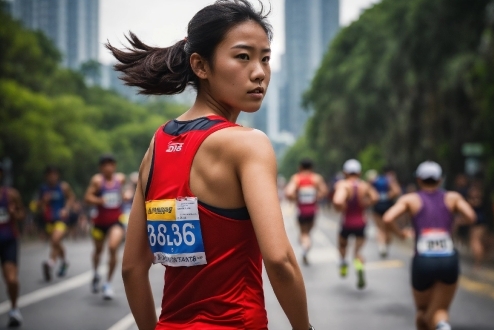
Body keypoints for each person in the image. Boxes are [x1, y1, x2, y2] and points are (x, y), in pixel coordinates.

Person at [108, 1, 311, 329]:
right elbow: (280, 260)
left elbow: (132, 268)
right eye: (243, 57)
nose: (259, 72)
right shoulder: (247, 144)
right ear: (201, 66)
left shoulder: (157, 145)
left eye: (265, 58)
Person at [384, 161, 476, 330]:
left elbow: (388, 218)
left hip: (423, 260)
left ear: (419, 180)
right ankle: (442, 326)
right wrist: (455, 222)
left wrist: (401, 234)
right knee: (439, 310)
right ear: (440, 180)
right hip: (448, 259)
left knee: (423, 311)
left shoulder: (411, 199)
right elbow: (470, 216)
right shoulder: (452, 198)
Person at [84, 154, 127, 300]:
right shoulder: (97, 181)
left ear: (114, 166)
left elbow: (122, 193)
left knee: (113, 247)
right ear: (101, 167)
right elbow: (87, 198)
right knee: (98, 250)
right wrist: (99, 200)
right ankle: (96, 273)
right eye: (105, 165)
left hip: (115, 221)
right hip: (99, 222)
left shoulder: (120, 179)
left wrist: (125, 195)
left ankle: (108, 283)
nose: (109, 168)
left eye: (111, 164)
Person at [333, 159, 379, 289]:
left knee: (342, 246)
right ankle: (359, 265)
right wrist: (366, 204)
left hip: (347, 223)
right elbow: (375, 198)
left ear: (345, 172)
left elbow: (337, 201)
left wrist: (341, 208)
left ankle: (342, 263)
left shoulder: (343, 185)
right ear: (359, 173)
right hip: (361, 223)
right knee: (357, 251)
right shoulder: (364, 186)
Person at [284, 159, 328, 265]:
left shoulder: (296, 178)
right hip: (312, 210)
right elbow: (324, 191)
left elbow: (289, 192)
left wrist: (297, 197)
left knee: (303, 234)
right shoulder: (316, 178)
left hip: (301, 211)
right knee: (308, 233)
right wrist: (315, 197)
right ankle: (305, 248)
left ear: (300, 167)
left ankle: (304, 248)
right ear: (312, 168)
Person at [37, 166, 74, 281]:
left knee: (55, 240)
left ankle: (51, 262)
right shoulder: (43, 189)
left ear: (57, 175)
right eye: (50, 174)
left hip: (61, 220)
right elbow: (38, 205)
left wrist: (66, 209)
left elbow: (71, 197)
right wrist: (44, 201)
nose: (52, 176)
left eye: (54, 174)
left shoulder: (63, 187)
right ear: (46, 176)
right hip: (48, 220)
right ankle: (64, 262)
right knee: (56, 243)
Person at [0, 166, 25, 327]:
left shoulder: (10, 195)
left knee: (11, 279)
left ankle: (14, 309)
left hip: (8, 240)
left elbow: (22, 214)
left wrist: (14, 213)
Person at [371, 166, 402, 258]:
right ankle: (385, 246)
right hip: (388, 207)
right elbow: (397, 191)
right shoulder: (390, 180)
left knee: (380, 229)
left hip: (377, 207)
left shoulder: (375, 180)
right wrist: (388, 196)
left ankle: (382, 246)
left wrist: (377, 198)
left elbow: (370, 193)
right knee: (388, 229)